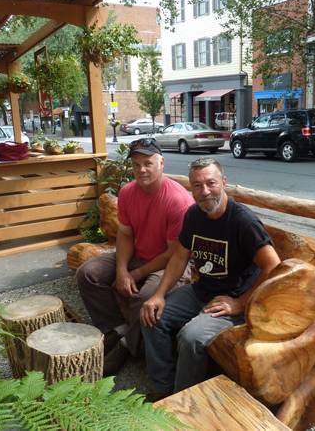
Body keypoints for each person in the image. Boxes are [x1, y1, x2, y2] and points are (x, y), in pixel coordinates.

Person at [140, 157, 281, 401]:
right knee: (151, 315)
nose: (204, 191)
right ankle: (163, 386)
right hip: (201, 290)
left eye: (211, 183)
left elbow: (274, 266)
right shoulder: (194, 214)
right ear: (191, 188)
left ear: (224, 183)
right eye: (197, 185)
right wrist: (159, 295)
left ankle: (182, 401)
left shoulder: (243, 221)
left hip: (233, 300)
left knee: (191, 337)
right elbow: (179, 258)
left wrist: (240, 303)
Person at [76, 138, 195, 376]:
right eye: (137, 164)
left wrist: (135, 274)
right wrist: (121, 271)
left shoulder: (178, 200)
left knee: (144, 298)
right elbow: (125, 235)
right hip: (139, 254)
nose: (142, 169)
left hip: (174, 262)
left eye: (148, 163)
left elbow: (174, 253)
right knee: (87, 274)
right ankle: (119, 329)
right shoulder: (128, 192)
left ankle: (125, 347)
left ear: (162, 163)